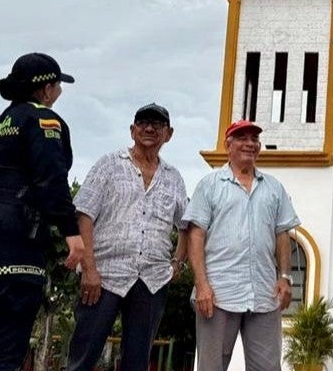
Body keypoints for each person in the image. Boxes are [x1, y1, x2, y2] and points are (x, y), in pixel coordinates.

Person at [0, 52, 85, 371]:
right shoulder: (43, 119)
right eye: (58, 85)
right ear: (47, 88)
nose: (60, 92)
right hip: (13, 235)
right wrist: (72, 233)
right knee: (2, 347)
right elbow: (51, 179)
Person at [66, 102, 189, 371]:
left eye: (157, 125)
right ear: (132, 130)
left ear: (169, 134)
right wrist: (89, 269)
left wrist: (177, 262)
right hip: (105, 275)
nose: (149, 128)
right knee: (83, 355)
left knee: (137, 361)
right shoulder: (108, 164)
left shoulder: (174, 178)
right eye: (142, 123)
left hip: (152, 280)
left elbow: (186, 225)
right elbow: (84, 214)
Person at [185, 119, 301, 371]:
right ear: (228, 145)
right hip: (218, 293)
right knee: (211, 367)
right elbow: (196, 236)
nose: (250, 144)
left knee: (268, 367)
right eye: (242, 138)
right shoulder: (210, 185)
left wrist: (284, 277)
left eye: (254, 139)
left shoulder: (274, 188)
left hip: (264, 293)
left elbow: (282, 234)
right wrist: (201, 284)